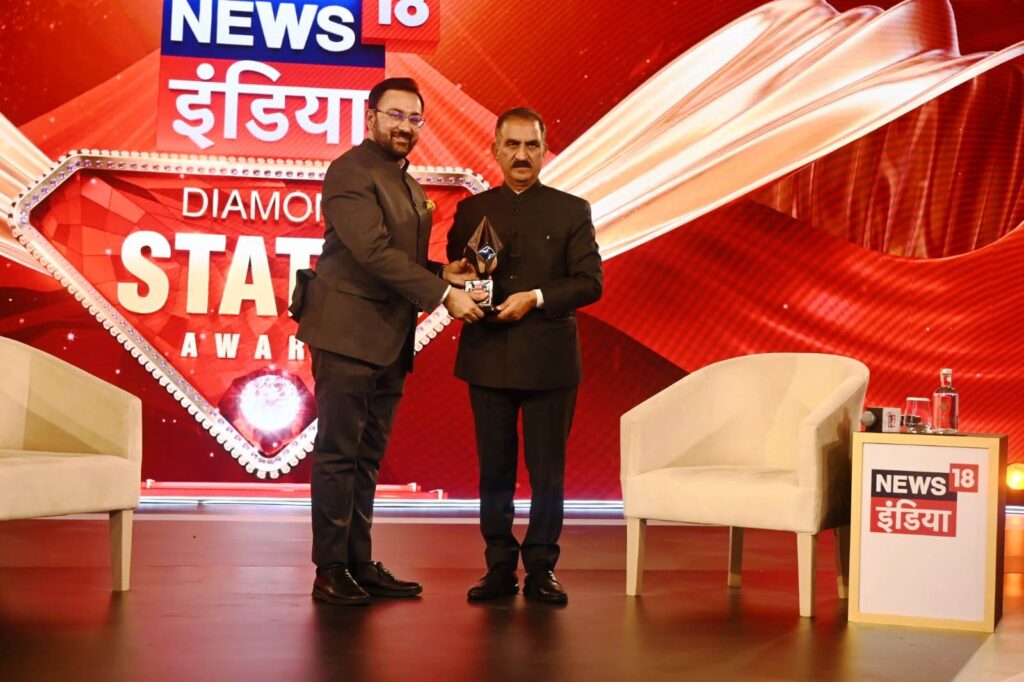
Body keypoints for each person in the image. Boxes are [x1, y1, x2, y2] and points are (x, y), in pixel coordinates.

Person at [295, 78, 482, 606]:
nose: (404, 126)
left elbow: (397, 257)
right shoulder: (350, 171)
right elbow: (372, 254)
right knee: (338, 454)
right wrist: (443, 295)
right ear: (370, 116)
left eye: (414, 118)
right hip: (347, 335)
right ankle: (330, 568)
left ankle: (358, 562)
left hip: (388, 339)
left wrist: (444, 271)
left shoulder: (404, 180)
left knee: (367, 457)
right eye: (395, 115)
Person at [446, 108, 603, 604]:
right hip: (487, 355)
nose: (521, 155)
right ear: (494, 150)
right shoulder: (472, 211)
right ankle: (498, 566)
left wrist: (535, 297)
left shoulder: (572, 210)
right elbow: (459, 273)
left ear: (544, 150)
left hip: (550, 360)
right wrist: (460, 292)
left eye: (531, 145)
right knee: (494, 470)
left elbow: (590, 283)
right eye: (511, 145)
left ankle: (541, 567)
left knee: (547, 472)